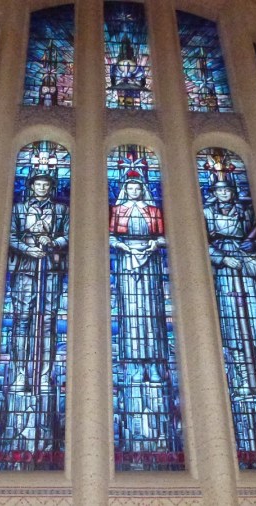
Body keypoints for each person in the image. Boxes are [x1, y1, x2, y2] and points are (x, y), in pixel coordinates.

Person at [202, 175, 256, 454]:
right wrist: (220, 257)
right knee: (233, 327)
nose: (224, 194)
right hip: (225, 269)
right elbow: (199, 241)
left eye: (227, 190)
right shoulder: (205, 213)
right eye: (219, 191)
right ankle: (241, 382)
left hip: (248, 267)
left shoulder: (247, 212)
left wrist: (253, 250)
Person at [0, 164, 69, 465]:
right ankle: (20, 373)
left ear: (51, 188)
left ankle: (42, 375)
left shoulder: (61, 210)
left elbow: (67, 235)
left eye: (46, 185)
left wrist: (53, 243)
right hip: (25, 268)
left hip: (50, 268)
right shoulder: (17, 209)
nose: (42, 188)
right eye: (38, 184)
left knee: (47, 322)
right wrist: (27, 249)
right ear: (31, 187)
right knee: (23, 321)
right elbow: (10, 235)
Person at [110, 169, 180, 466]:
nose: (135, 192)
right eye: (131, 188)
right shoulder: (119, 211)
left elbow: (163, 237)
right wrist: (125, 247)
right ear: (126, 190)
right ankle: (135, 366)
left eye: (138, 188)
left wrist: (154, 245)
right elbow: (112, 237)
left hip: (149, 264)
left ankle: (154, 365)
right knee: (132, 312)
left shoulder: (153, 211)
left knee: (151, 313)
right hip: (127, 263)